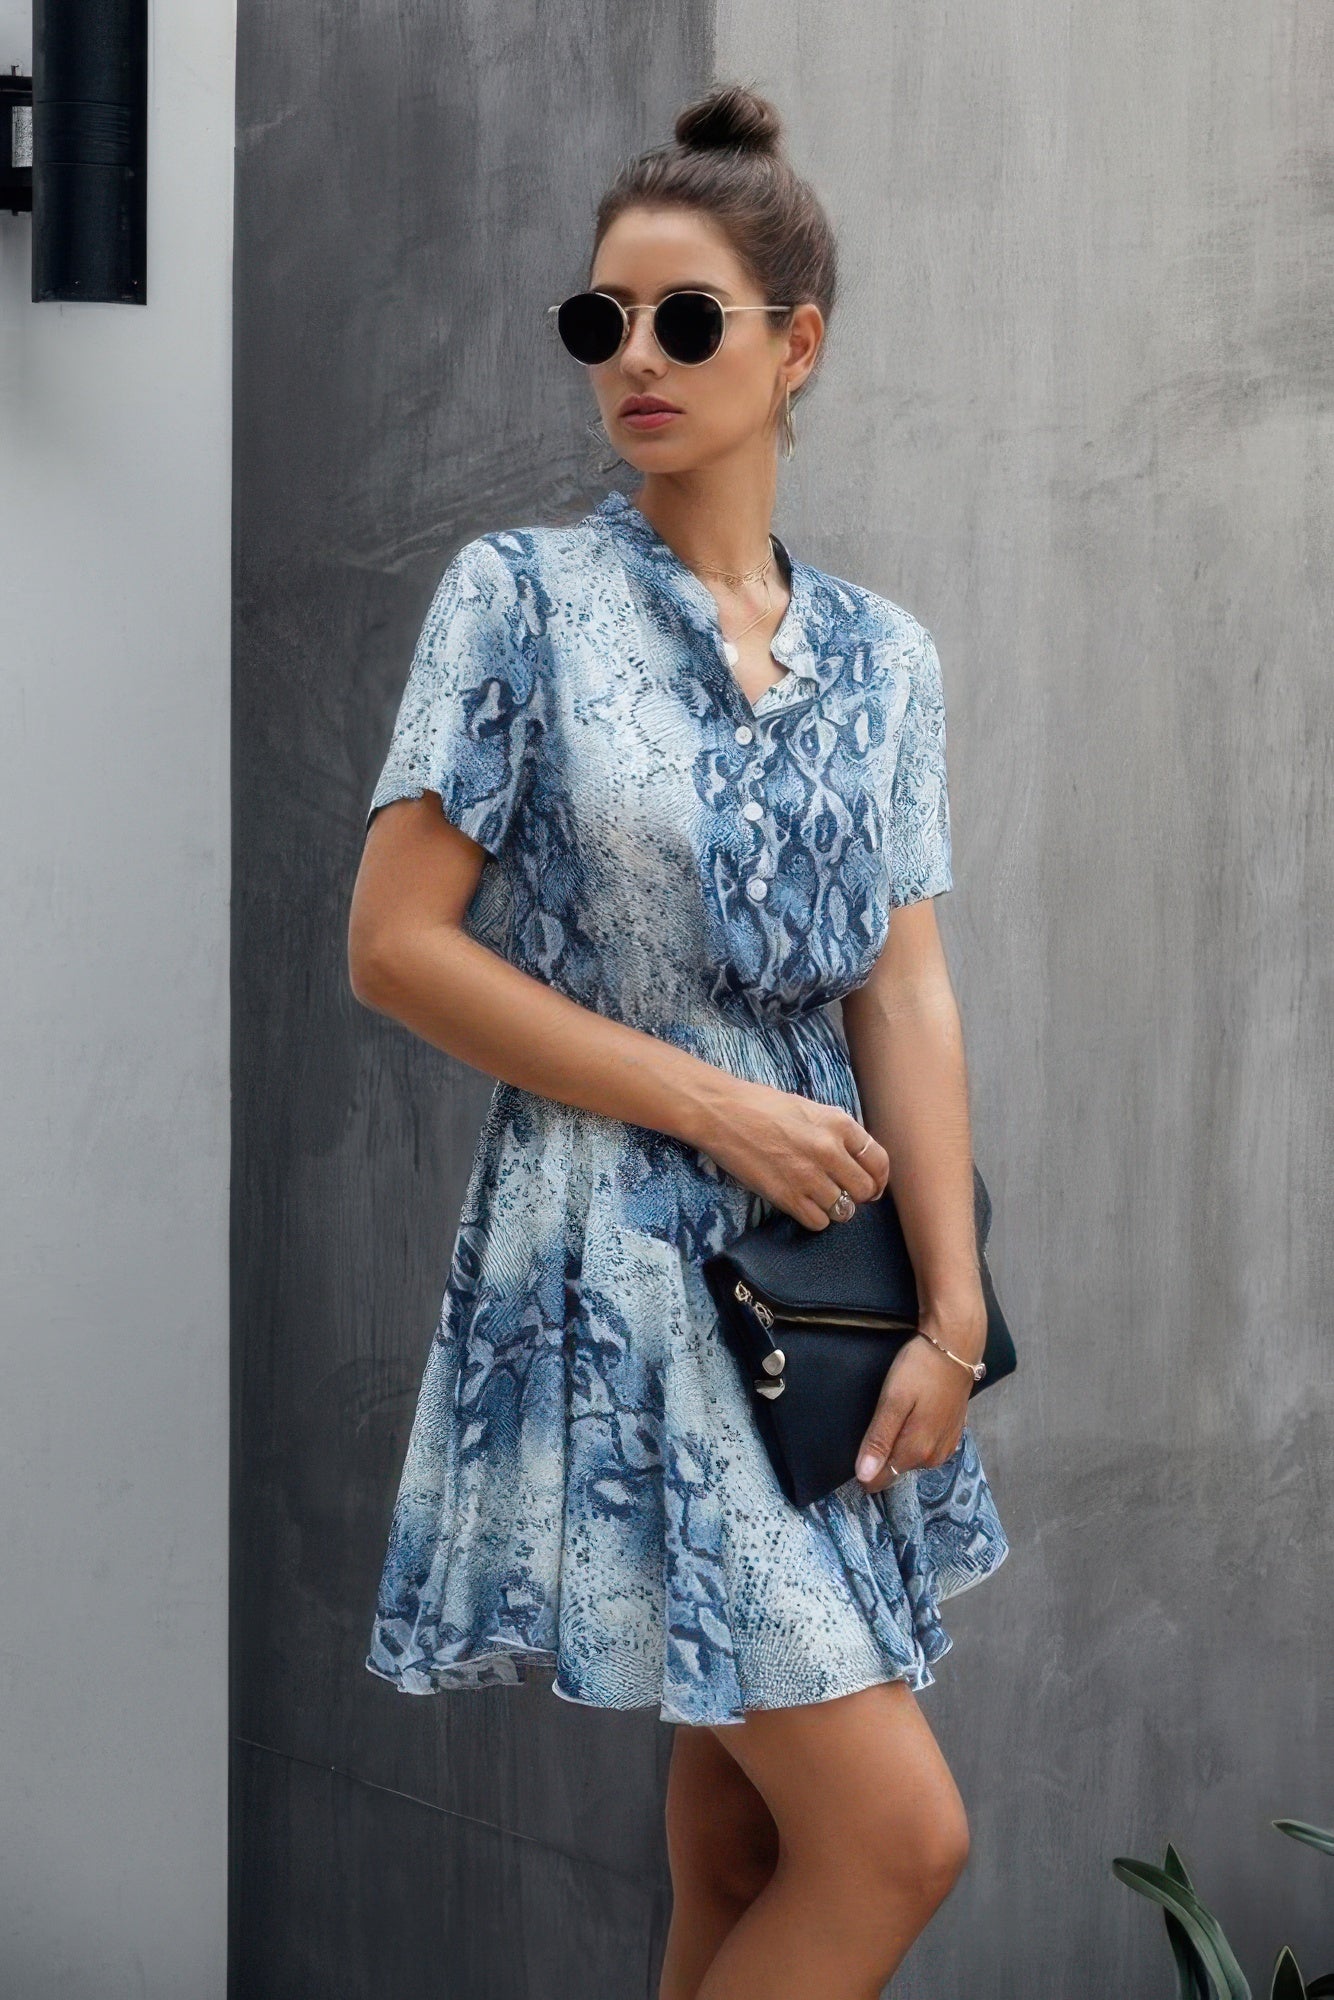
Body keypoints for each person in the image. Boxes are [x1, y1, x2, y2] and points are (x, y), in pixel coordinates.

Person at [347, 78, 1011, 2000]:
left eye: (685, 319)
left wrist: (950, 1318)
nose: (633, 356)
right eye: (601, 319)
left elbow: (903, 990)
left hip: (821, 1280)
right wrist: (714, 1105)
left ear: (796, 346)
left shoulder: (883, 658)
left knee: (740, 1850)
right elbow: (395, 949)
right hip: (623, 1262)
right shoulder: (520, 604)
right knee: (892, 1839)